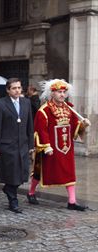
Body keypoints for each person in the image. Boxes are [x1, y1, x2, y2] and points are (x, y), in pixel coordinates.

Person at [27, 79, 90, 211]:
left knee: (69, 172)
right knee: (40, 171)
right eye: (59, 92)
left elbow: (74, 126)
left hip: (66, 147)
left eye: (64, 92)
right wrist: (46, 145)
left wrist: (82, 124)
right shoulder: (44, 110)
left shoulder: (69, 108)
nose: (62, 95)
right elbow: (40, 129)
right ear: (52, 93)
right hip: (49, 147)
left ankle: (72, 201)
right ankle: (31, 192)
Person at [0, 78, 34, 213]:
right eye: (14, 88)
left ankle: (8, 189)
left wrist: (31, 145)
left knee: (22, 173)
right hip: (7, 145)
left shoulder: (26, 103)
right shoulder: (0, 104)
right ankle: (13, 201)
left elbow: (29, 125)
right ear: (8, 90)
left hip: (23, 144)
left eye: (19, 88)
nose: (17, 90)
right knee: (12, 173)